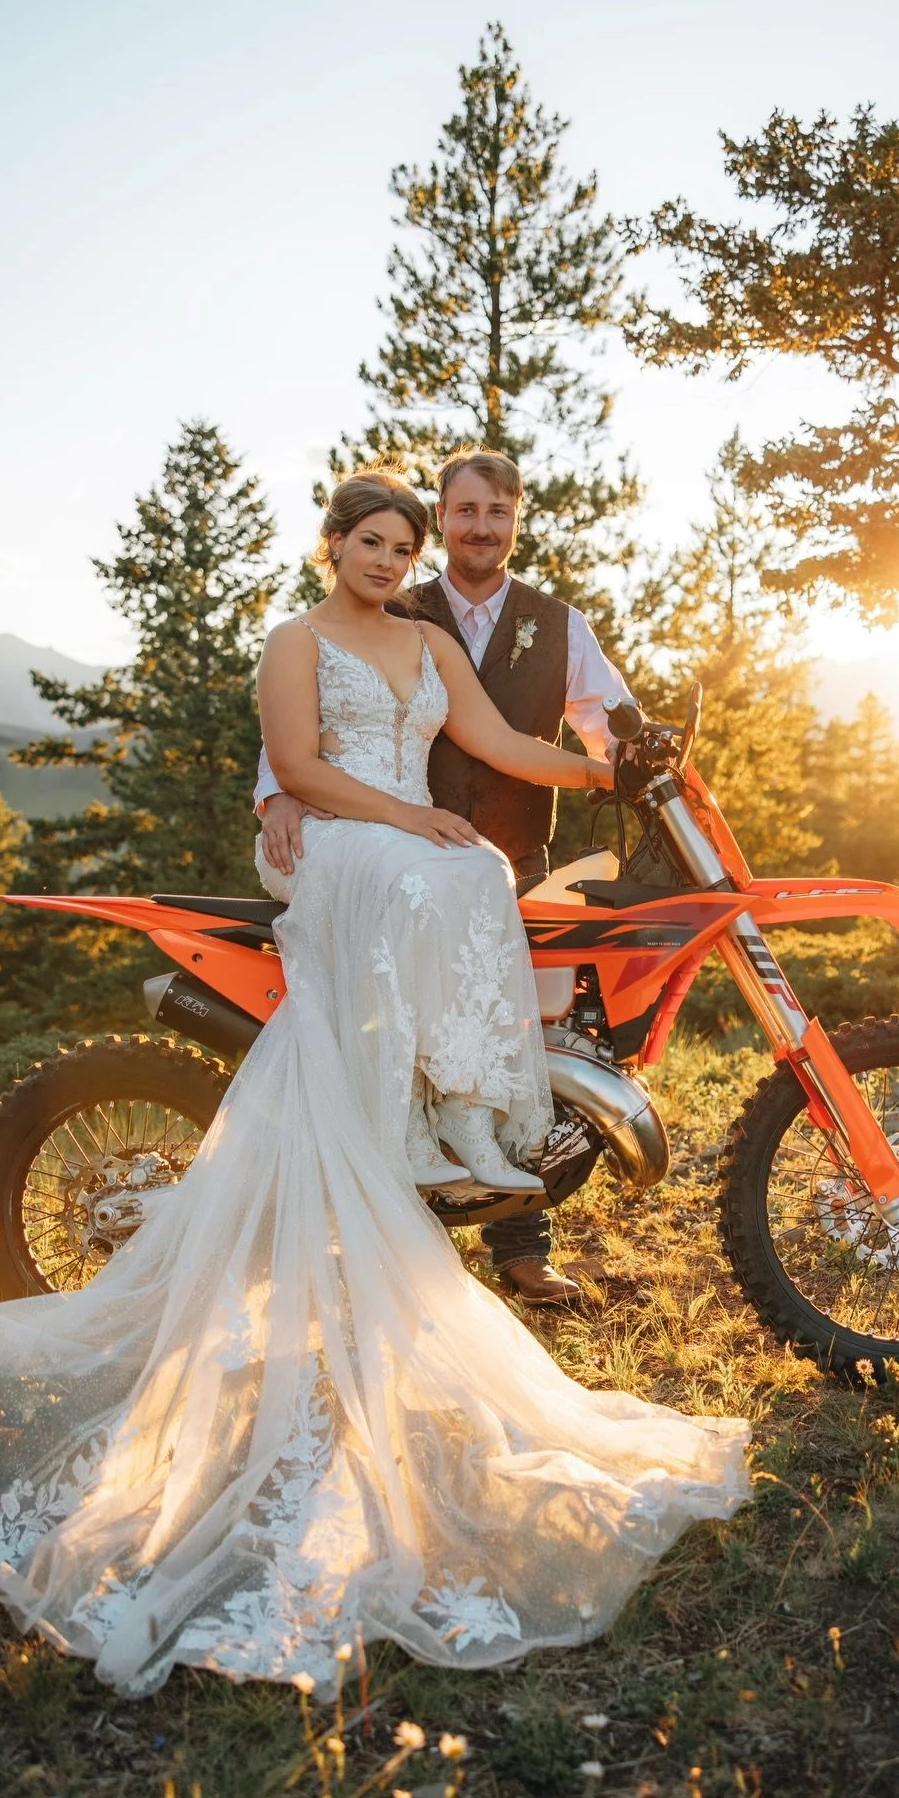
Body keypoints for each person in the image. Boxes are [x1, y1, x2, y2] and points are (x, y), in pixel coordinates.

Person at [0, 472, 749, 1701]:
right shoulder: (295, 640)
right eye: (374, 540)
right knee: (447, 864)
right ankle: (427, 1129)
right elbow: (301, 769)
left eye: (401, 542)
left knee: (479, 875)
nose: (390, 556)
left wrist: (612, 778)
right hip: (343, 846)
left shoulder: (429, 642)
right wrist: (410, 820)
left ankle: (466, 1120)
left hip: (415, 848)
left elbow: (496, 742)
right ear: (334, 547)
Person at [258, 449, 627, 1306]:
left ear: (515, 520)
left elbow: (537, 734)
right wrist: (275, 796)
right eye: (463, 512)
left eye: (496, 514)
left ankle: (503, 1200)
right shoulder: (345, 625)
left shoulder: (537, 623)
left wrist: (616, 772)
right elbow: (289, 746)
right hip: (384, 841)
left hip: (473, 846)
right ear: (339, 543)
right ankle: (400, 1161)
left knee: (516, 983)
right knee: (432, 900)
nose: (479, 528)